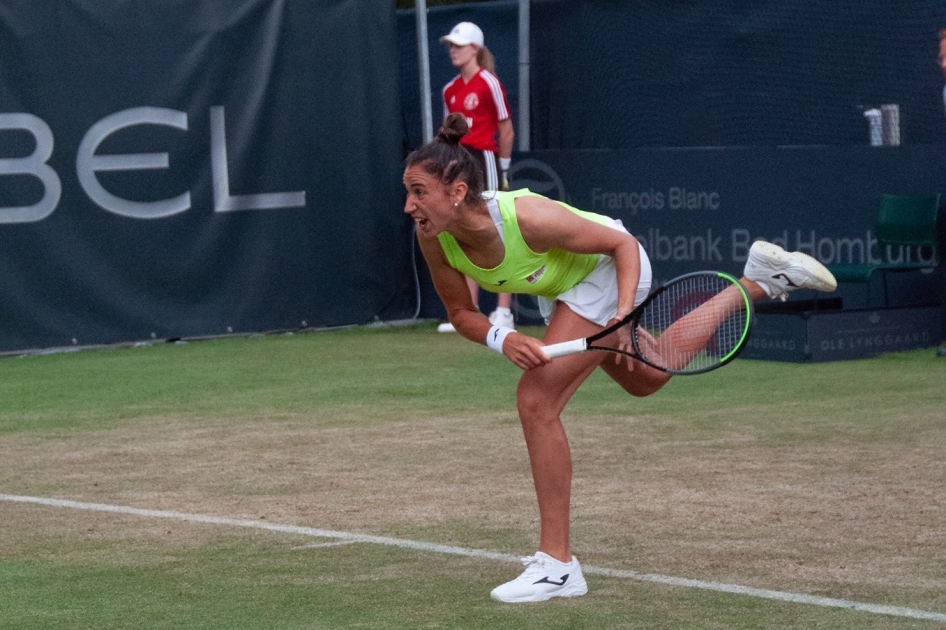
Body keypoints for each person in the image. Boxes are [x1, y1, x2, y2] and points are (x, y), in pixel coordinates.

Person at [403, 113, 839, 603]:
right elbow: (461, 312)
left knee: (536, 400)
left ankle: (557, 565)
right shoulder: (433, 237)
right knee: (647, 378)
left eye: (419, 192)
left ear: (457, 191)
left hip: (612, 269)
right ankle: (756, 282)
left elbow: (621, 244)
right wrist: (501, 339)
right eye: (407, 192)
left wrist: (624, 317)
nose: (409, 205)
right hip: (568, 286)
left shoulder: (525, 218)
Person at [436, 21, 516, 333]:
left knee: (496, 227)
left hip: (486, 160)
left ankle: (504, 311)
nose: (453, 50)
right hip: (459, 164)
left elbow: (505, 128)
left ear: (475, 50)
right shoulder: (450, 90)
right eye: (450, 45)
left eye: (459, 45)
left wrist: (504, 168)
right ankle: (469, 312)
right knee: (464, 231)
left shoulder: (489, 83)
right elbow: (448, 134)